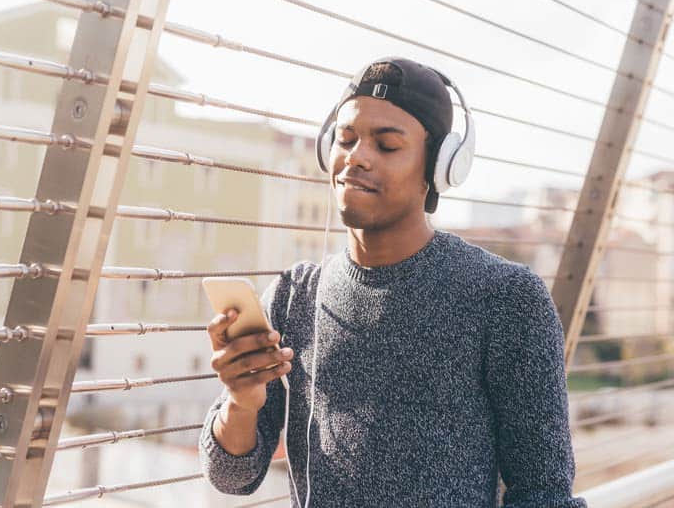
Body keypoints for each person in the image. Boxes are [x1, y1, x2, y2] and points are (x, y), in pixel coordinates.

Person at [198, 57, 587, 507]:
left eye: (386, 145)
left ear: (439, 167)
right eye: (345, 139)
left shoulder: (505, 298)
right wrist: (240, 403)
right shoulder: (293, 297)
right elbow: (230, 477)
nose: (356, 157)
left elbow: (545, 494)